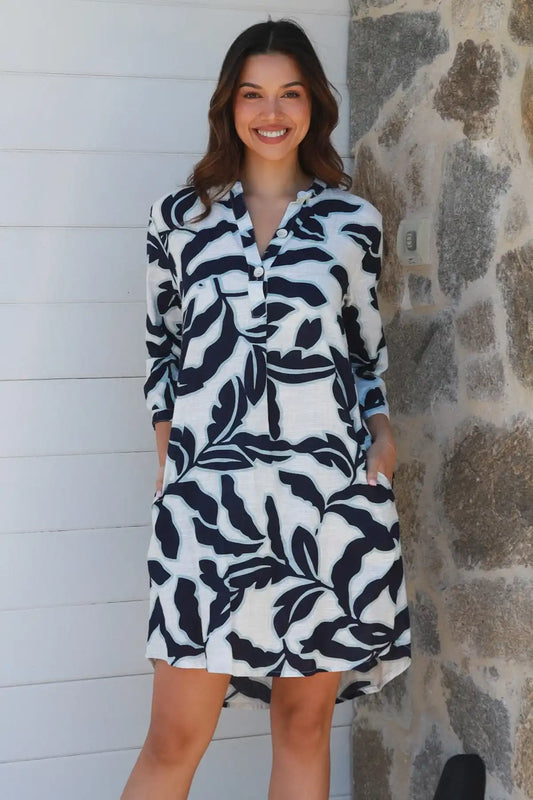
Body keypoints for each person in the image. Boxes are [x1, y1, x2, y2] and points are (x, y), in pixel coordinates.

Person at [121, 17, 411, 800]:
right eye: (252, 93)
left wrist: (381, 446)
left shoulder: (352, 222)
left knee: (302, 727)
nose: (271, 110)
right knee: (175, 736)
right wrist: (171, 464)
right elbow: (162, 354)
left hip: (326, 504)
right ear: (229, 105)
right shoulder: (177, 220)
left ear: (314, 103)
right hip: (207, 505)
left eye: (288, 93)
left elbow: (365, 360)